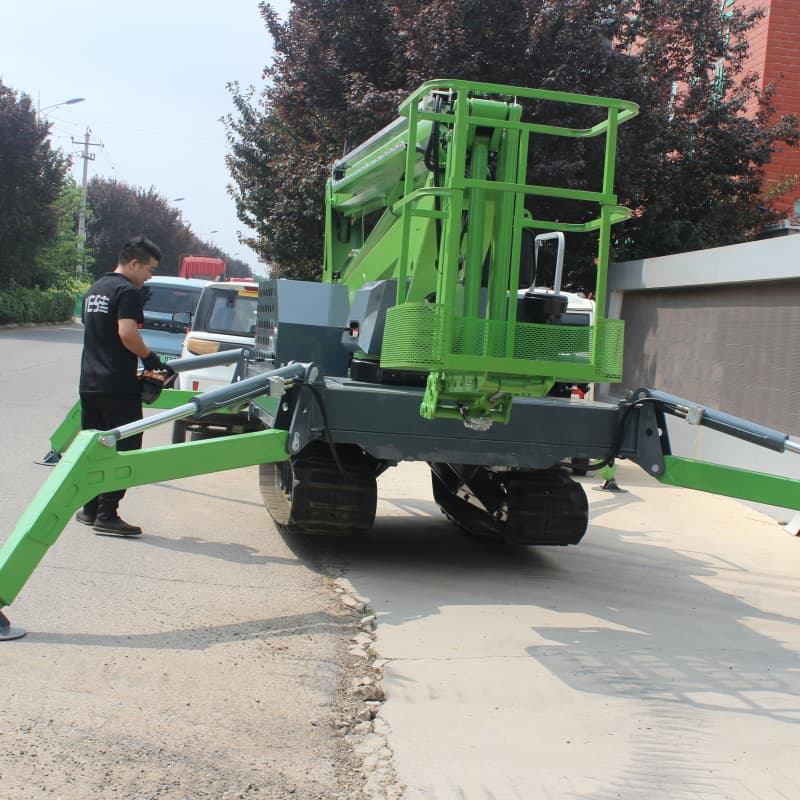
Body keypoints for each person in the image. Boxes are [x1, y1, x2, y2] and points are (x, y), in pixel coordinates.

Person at [75, 235, 171, 536]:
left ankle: (90, 508)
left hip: (90, 383)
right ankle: (108, 514)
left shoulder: (96, 289)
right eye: (149, 270)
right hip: (117, 385)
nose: (149, 276)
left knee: (96, 448)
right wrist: (152, 359)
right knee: (125, 448)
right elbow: (127, 333)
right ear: (133, 263)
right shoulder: (127, 291)